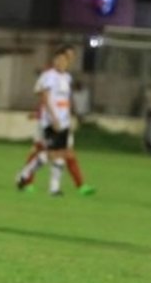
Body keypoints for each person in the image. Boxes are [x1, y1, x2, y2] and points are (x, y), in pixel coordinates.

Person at [16, 45, 95, 196]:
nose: (66, 61)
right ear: (55, 60)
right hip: (50, 122)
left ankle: (51, 187)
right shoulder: (49, 76)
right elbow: (43, 96)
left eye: (68, 58)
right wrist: (49, 116)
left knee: (59, 154)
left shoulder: (67, 77)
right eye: (62, 58)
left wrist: (68, 118)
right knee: (51, 153)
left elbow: (65, 100)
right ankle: (26, 177)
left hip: (63, 122)